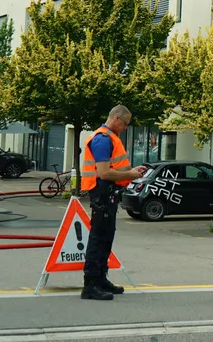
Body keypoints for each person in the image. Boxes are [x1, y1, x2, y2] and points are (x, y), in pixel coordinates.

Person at [78, 105, 148, 301]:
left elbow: (111, 170)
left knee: (106, 236)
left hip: (107, 193)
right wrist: (130, 174)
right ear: (116, 118)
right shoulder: (102, 140)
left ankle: (100, 279)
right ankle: (91, 284)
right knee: (98, 238)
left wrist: (131, 172)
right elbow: (104, 173)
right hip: (101, 193)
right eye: (125, 123)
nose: (125, 127)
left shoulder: (108, 139)